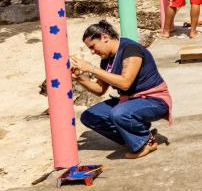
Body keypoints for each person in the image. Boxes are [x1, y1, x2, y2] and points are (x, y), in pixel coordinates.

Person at [72, 20, 172, 159]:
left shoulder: (130, 49)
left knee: (118, 113)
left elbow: (125, 83)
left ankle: (146, 142)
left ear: (104, 37)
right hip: (129, 102)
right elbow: (100, 89)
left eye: (93, 47)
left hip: (154, 101)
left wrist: (91, 68)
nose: (93, 52)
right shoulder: (106, 59)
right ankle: (137, 136)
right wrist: (79, 78)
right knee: (90, 117)